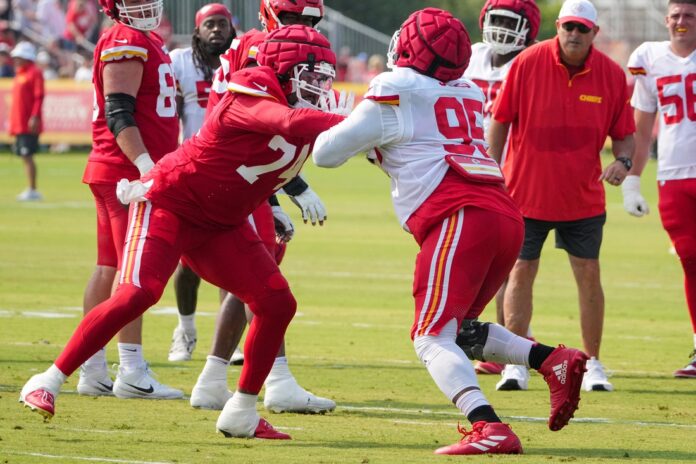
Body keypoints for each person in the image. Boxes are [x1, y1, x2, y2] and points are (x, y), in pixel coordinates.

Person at [20, 24, 348, 440]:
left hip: (222, 223)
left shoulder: (304, 107)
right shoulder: (250, 91)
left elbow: (275, 156)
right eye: (310, 74)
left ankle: (241, 412)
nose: (319, 84)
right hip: (170, 202)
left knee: (277, 303)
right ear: (281, 71)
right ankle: (47, 380)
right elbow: (286, 121)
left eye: (323, 76)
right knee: (137, 293)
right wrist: (359, 119)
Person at [312, 7, 588, 455]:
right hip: (503, 215)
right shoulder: (466, 90)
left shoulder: (395, 88)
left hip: (459, 217)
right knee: (459, 331)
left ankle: (488, 426)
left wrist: (324, 119)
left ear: (409, 47)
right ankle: (552, 359)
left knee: (431, 335)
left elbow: (326, 154)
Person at [175, 0, 337, 416]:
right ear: (270, 15)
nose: (302, 26)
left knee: (252, 281)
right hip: (233, 174)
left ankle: (214, 379)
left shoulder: (264, 46)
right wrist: (290, 189)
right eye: (293, 18)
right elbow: (265, 128)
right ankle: (274, 381)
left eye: (309, 20)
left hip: (247, 174)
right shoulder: (259, 49)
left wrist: (276, 192)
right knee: (261, 283)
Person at [488, 0, 636, 392]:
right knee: (521, 271)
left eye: (582, 28)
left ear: (594, 33)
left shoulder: (611, 74)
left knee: (589, 275)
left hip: (582, 197)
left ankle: (593, 363)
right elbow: (500, 121)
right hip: (525, 192)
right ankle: (516, 364)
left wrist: (623, 162)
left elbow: (625, 134)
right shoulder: (527, 62)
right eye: (569, 26)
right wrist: (490, 172)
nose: (574, 34)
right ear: (558, 27)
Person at [75, 0, 182, 400]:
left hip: (114, 170)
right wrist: (145, 166)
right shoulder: (125, 38)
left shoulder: (142, 38)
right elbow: (119, 110)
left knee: (109, 268)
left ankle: (92, 368)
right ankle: (132, 370)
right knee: (131, 273)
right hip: (125, 173)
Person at [463, 0, 541, 376]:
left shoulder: (532, 62)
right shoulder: (472, 56)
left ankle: (505, 342)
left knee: (504, 265)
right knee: (486, 263)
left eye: (511, 23)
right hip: (466, 168)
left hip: (514, 171)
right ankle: (508, 339)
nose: (501, 29)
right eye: (496, 20)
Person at [625, 0, 696, 378]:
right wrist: (633, 180)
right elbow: (641, 127)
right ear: (666, 20)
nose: (681, 22)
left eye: (689, 16)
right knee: (690, 260)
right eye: (676, 16)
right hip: (673, 174)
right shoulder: (649, 58)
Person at [9, 41, 44, 201]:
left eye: (19, 57)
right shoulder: (19, 73)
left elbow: (39, 96)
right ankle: (30, 188)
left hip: (28, 123)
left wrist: (35, 116)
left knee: (27, 155)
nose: (15, 59)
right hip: (19, 122)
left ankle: (32, 189)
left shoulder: (34, 72)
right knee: (24, 156)